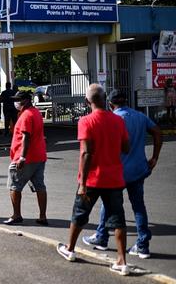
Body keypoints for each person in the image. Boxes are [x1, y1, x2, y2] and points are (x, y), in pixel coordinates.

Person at [56, 84, 131, 276]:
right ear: (105, 98)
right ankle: (122, 261)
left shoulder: (86, 121)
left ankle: (70, 249)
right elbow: (126, 148)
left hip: (92, 179)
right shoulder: (118, 121)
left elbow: (86, 153)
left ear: (87, 101)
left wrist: (82, 183)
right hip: (114, 178)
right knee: (118, 220)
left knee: (79, 214)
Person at [83, 89, 162, 259]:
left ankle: (101, 237)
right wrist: (154, 157)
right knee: (139, 206)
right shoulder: (140, 117)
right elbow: (157, 132)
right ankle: (142, 245)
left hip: (116, 171)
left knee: (107, 204)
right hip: (138, 170)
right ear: (126, 101)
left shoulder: (113, 119)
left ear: (110, 104)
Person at [4, 91, 48, 225]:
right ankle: (42, 216)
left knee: (14, 186)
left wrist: (22, 157)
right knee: (40, 186)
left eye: (18, 100)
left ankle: (16, 215)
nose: (16, 102)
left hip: (26, 158)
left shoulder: (26, 116)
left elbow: (26, 137)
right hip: (39, 156)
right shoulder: (35, 113)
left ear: (26, 100)